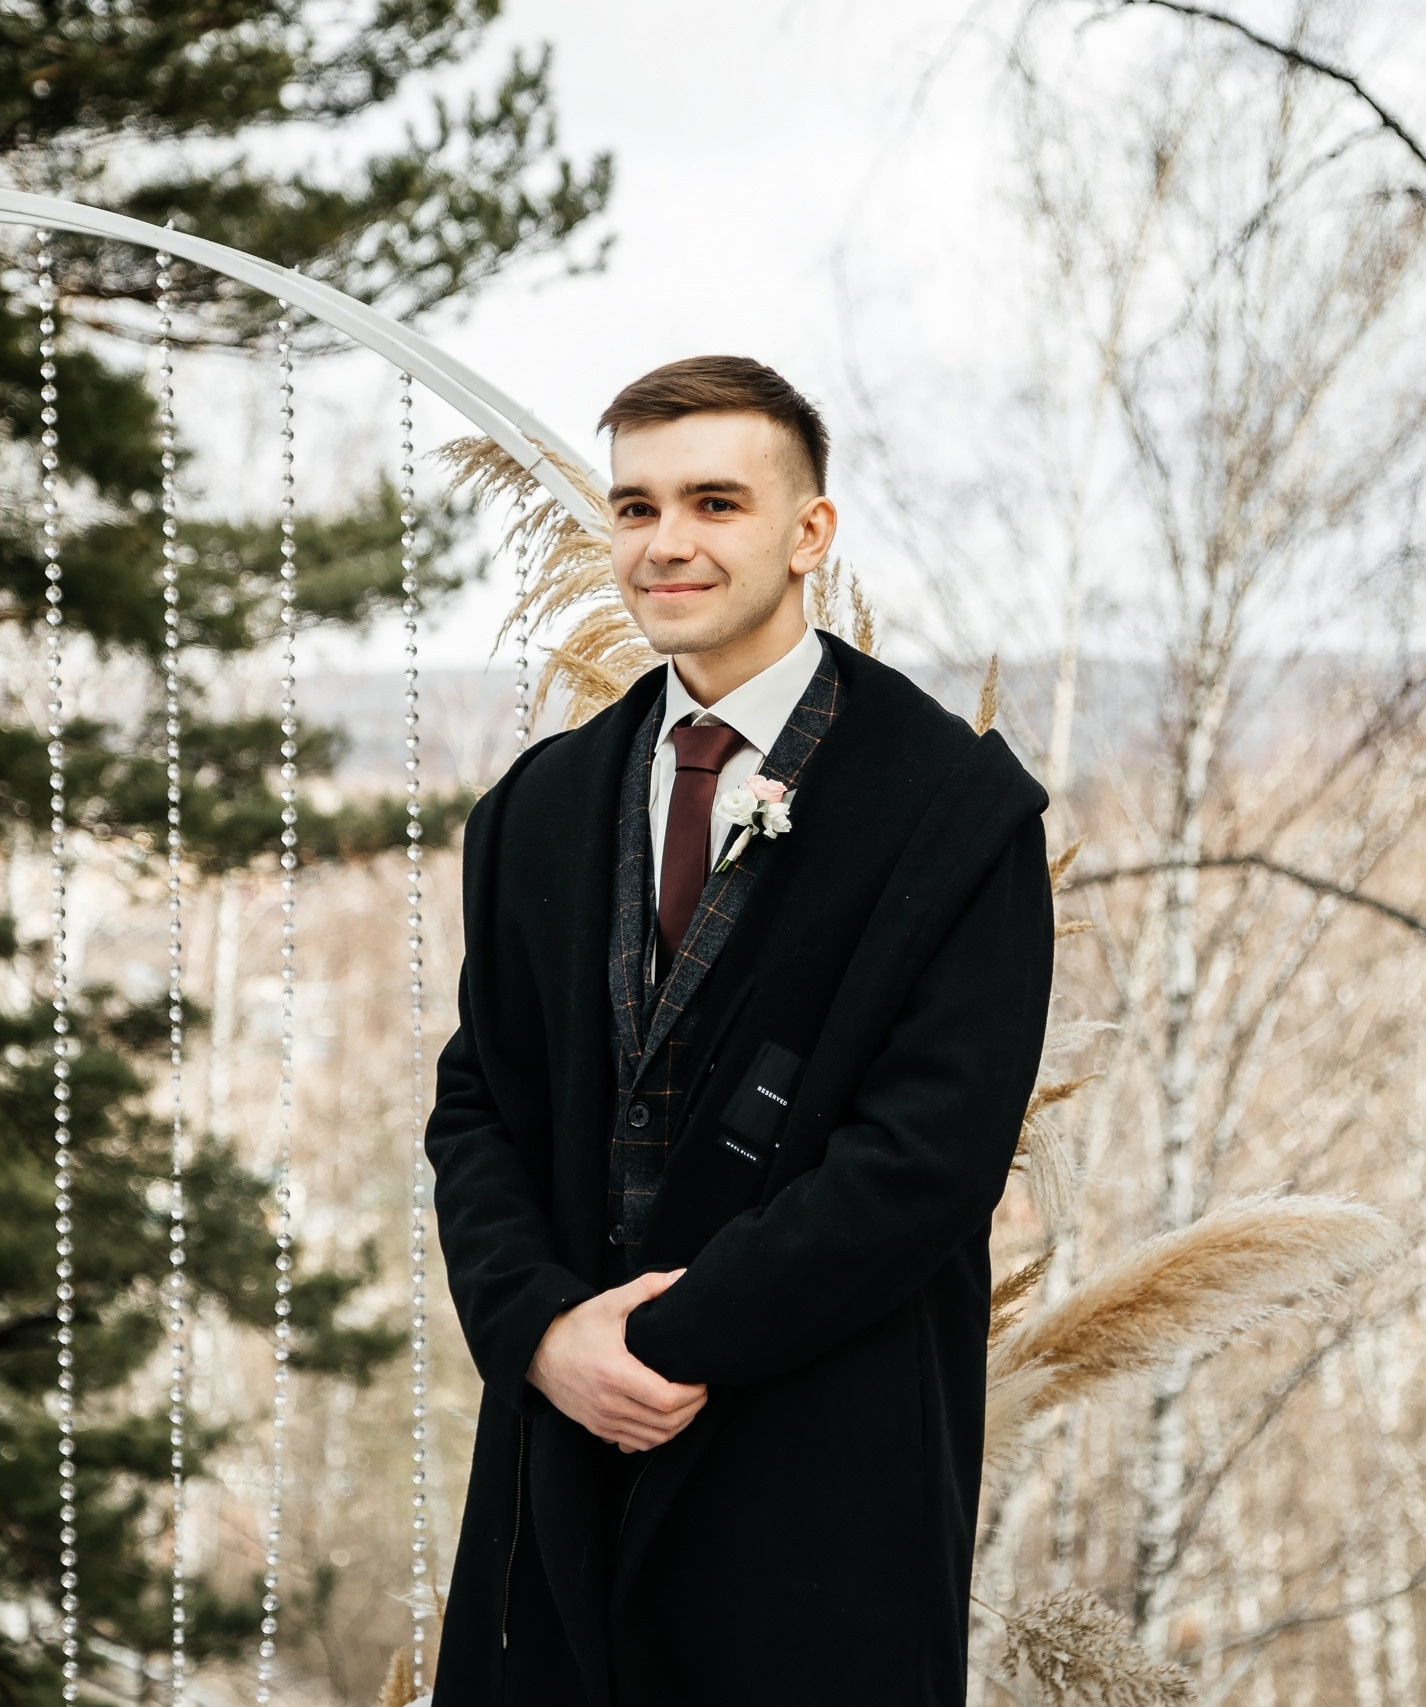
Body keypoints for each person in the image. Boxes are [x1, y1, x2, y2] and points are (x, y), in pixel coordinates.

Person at [422, 356, 1054, 1705]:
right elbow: (477, 1105)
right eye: (636, 507)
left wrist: (660, 1347)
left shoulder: (954, 811)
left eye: (715, 503)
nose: (668, 543)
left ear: (808, 532)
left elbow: (927, 1159)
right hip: (559, 1458)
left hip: (819, 1471)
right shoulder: (535, 807)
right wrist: (543, 1335)